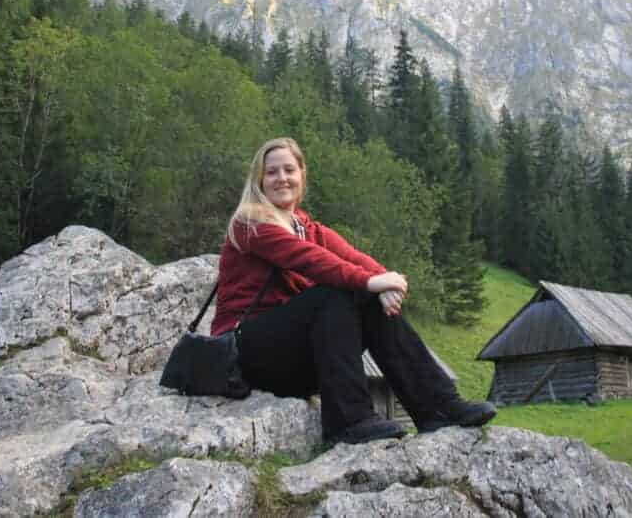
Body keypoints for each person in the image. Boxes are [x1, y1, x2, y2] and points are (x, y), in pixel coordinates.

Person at [211, 137, 496, 444]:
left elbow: (359, 261)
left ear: (302, 175)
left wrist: (384, 284)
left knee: (359, 295)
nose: (282, 178)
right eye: (272, 172)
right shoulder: (250, 223)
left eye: (289, 170)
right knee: (334, 293)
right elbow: (311, 261)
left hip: (294, 361)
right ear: (259, 180)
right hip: (246, 355)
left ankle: (438, 407)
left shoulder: (308, 228)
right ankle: (348, 422)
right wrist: (371, 283)